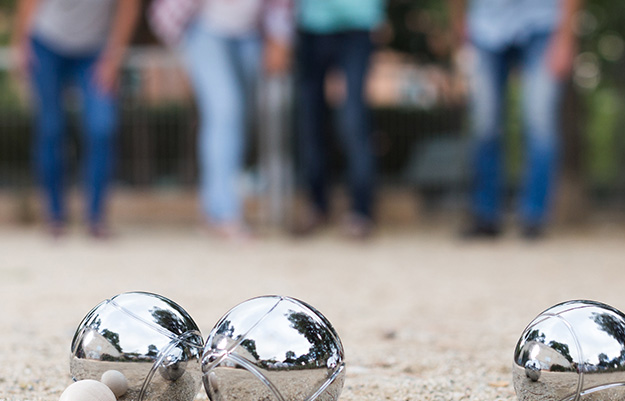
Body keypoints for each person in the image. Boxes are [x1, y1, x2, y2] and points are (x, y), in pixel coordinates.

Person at [152, 0, 292, 240]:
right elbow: (166, 14)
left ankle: (212, 209)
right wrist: (182, 47)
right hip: (206, 30)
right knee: (225, 111)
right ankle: (225, 213)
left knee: (239, 120)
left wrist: (280, 37)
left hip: (250, 33)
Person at [450, 0, 581, 239]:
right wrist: (459, 21)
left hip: (544, 24)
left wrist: (565, 36)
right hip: (485, 27)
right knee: (484, 124)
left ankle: (534, 217)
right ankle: (485, 214)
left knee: (539, 120)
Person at [12, 0, 140, 238]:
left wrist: (114, 57)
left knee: (102, 127)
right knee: (51, 128)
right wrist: (21, 42)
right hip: (47, 44)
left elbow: (129, 7)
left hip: (96, 50)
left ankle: (96, 218)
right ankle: (54, 216)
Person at [293, 0, 385, 239]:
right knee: (310, 118)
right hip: (311, 23)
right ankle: (317, 205)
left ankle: (361, 210)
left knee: (353, 119)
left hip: (359, 21)